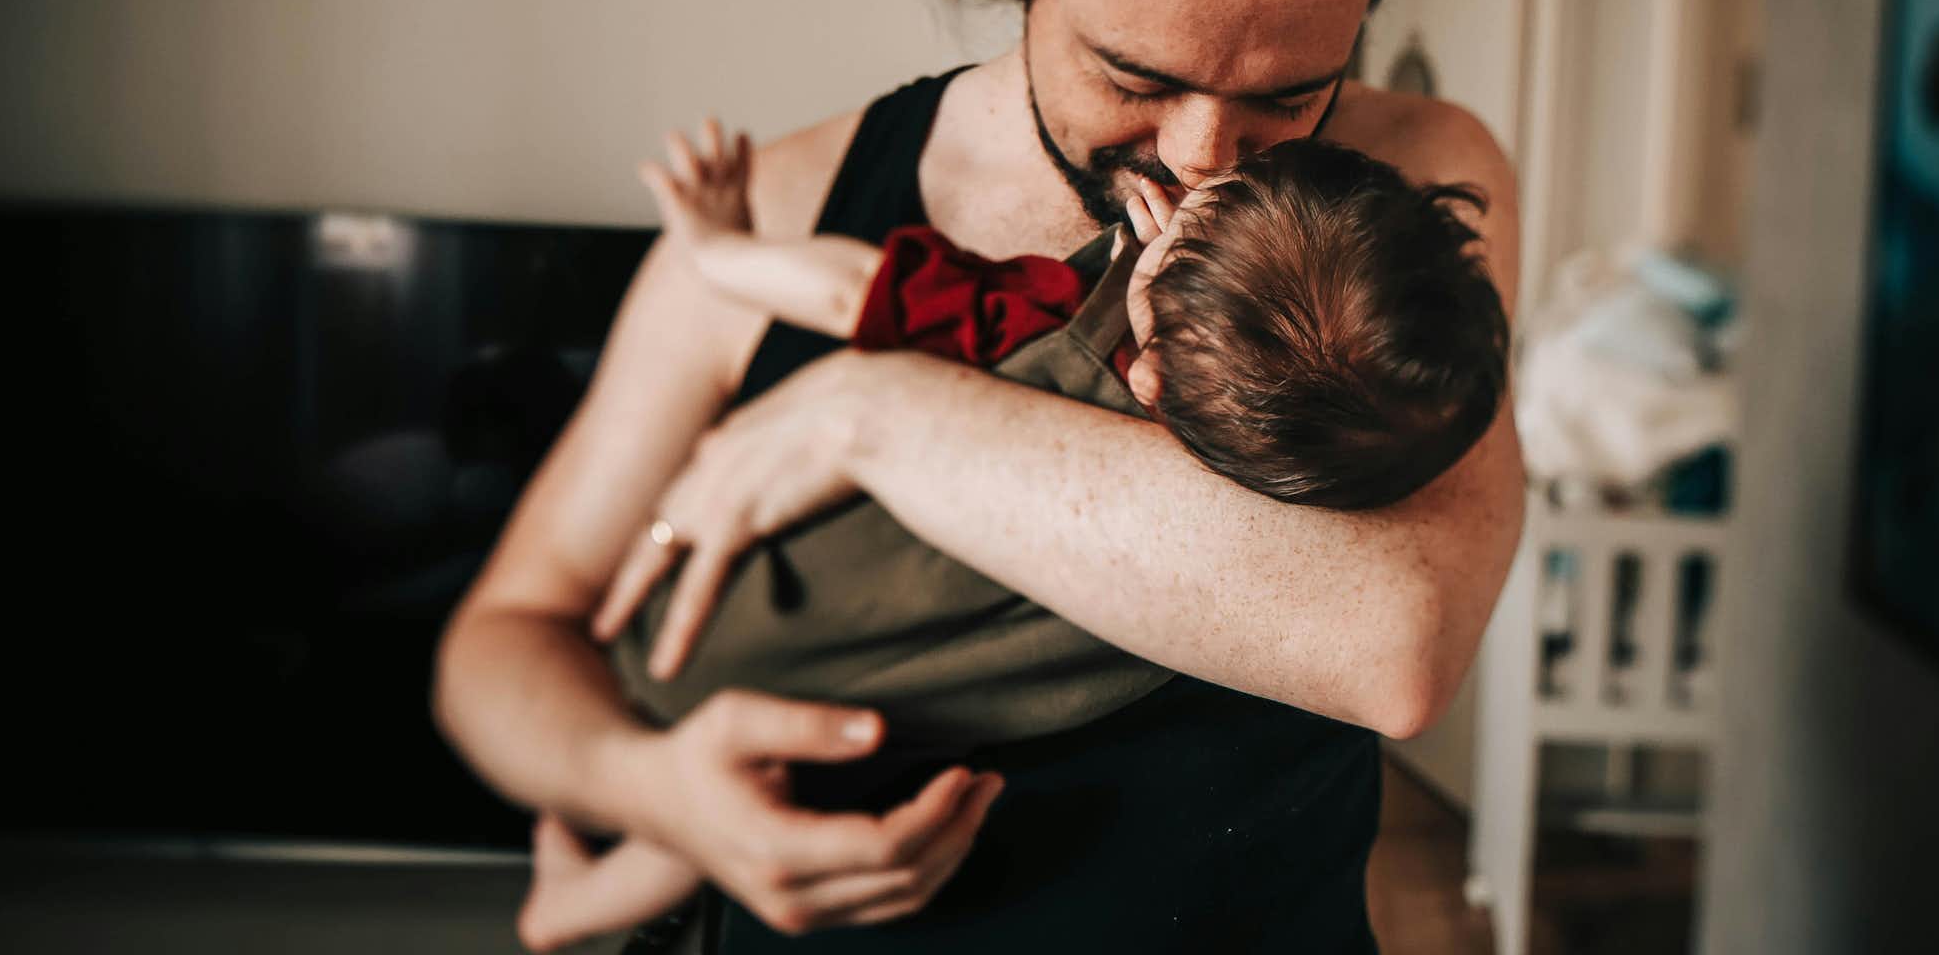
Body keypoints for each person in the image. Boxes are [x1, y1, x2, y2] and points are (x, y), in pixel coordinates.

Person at [433, 0, 1528, 952]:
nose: (1204, 157)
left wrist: (877, 411)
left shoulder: (1412, 190)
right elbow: (500, 649)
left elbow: (1390, 643)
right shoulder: (782, 212)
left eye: (1293, 93)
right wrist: (653, 791)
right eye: (1135, 73)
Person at [515, 122, 1510, 950]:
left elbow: (857, 291)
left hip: (736, 634)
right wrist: (1183, 279)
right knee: (810, 780)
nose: (1195, 160)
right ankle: (595, 899)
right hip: (881, 709)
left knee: (762, 770)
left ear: (1149, 371)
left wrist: (726, 249)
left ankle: (580, 901)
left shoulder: (1045, 327)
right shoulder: (1273, 514)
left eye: (1207, 209)